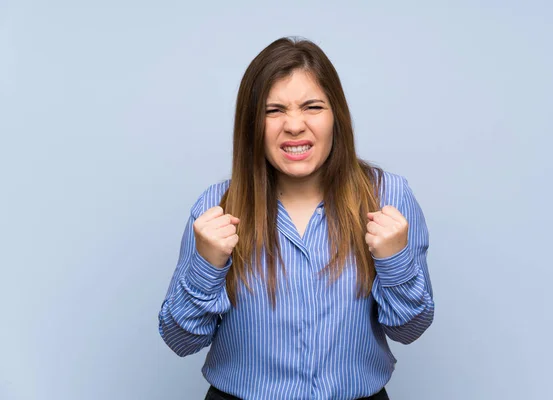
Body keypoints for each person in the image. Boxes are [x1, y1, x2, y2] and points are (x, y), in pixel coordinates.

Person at [158, 36, 435, 400]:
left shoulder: (388, 198)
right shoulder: (217, 208)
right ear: (251, 124)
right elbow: (181, 341)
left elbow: (410, 330)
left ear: (336, 115)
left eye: (312, 107)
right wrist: (207, 266)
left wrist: (394, 262)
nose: (294, 126)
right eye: (274, 111)